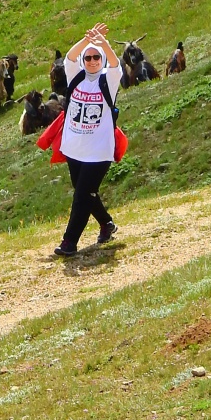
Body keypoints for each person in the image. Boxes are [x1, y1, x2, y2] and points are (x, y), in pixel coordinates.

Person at [54, 24, 122, 258]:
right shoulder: (77, 76)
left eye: (96, 57)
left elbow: (115, 65)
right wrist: (86, 40)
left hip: (99, 150)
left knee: (82, 195)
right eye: (89, 57)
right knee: (85, 192)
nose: (92, 61)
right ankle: (106, 223)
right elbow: (70, 58)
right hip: (74, 148)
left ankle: (69, 242)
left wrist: (105, 44)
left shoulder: (108, 80)